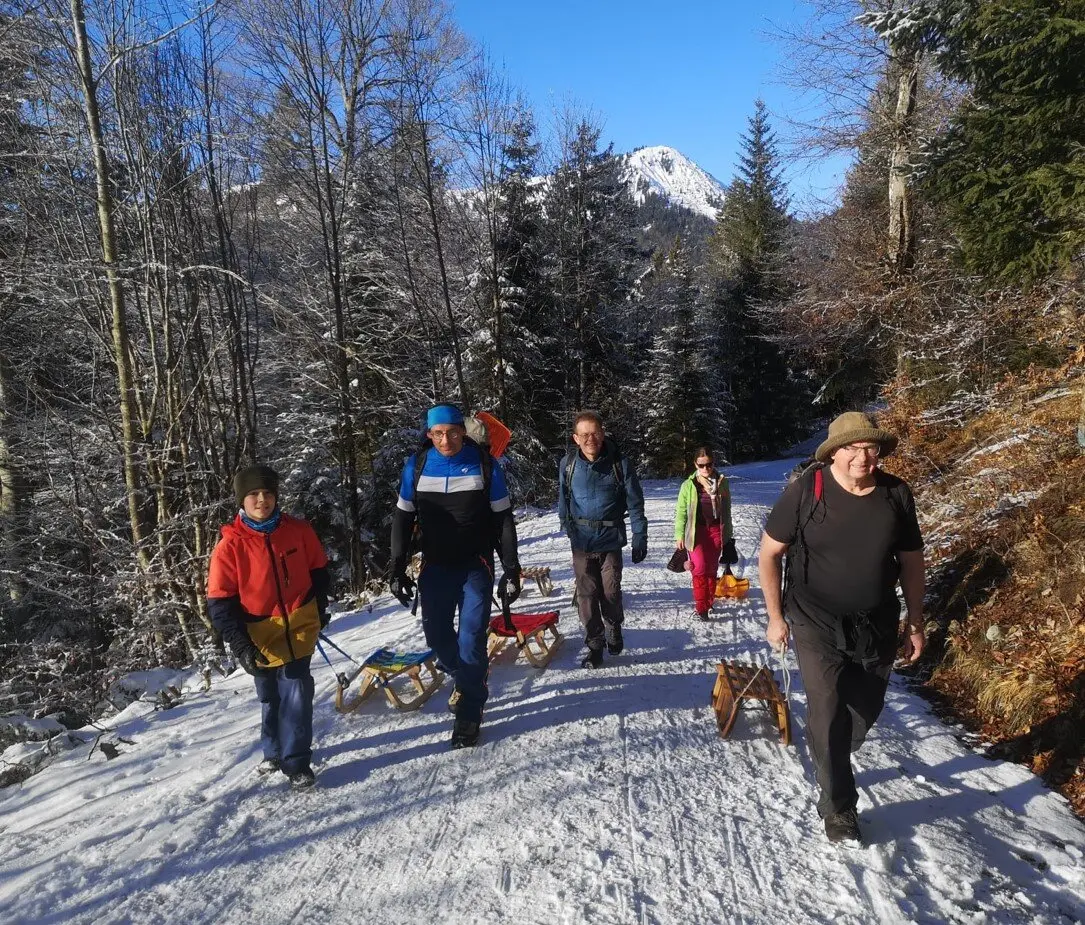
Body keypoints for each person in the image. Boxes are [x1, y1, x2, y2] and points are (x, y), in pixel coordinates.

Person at [758, 411, 926, 844]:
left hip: (877, 622)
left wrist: (917, 620)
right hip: (815, 619)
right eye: (852, 448)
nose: (863, 457)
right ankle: (839, 808)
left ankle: (831, 748)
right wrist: (777, 618)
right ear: (834, 452)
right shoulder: (805, 493)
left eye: (870, 448)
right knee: (828, 706)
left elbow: (911, 562)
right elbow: (769, 555)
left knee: (862, 709)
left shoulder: (895, 494)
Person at [389, 403, 521, 749]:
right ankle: (468, 678)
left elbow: (504, 520)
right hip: (434, 566)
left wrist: (511, 567)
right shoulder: (415, 467)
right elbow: (402, 519)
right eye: (438, 433)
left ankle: (469, 711)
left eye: (451, 432)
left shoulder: (485, 466)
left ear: (462, 431)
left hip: (475, 565)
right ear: (429, 434)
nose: (445, 439)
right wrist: (397, 566)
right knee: (436, 636)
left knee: (472, 639)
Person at [207, 464, 330, 789]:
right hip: (258, 633)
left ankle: (297, 763)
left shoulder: (298, 531)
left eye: (268, 493)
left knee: (297, 691)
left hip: (299, 626)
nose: (262, 500)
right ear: (242, 500)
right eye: (253, 495)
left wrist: (320, 609)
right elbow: (220, 603)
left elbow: (319, 572)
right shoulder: (229, 547)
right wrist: (241, 646)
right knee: (270, 697)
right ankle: (273, 752)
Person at [558, 411, 648, 669]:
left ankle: (613, 625)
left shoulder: (620, 463)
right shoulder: (568, 464)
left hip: (610, 541)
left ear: (603, 432)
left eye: (594, 432)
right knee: (587, 596)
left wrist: (640, 536)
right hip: (582, 542)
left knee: (610, 592)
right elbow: (563, 500)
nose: (590, 439)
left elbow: (635, 503)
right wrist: (567, 527)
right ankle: (595, 645)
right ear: (576, 438)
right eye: (584, 434)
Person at [673, 446, 737, 620]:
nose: (705, 469)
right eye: (701, 465)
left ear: (713, 463)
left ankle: (709, 604)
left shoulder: (723, 482)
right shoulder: (688, 485)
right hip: (697, 532)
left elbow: (727, 510)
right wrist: (679, 535)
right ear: (695, 465)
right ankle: (701, 608)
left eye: (709, 464)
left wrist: (728, 536)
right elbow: (681, 512)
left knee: (711, 569)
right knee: (699, 569)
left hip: (717, 531)